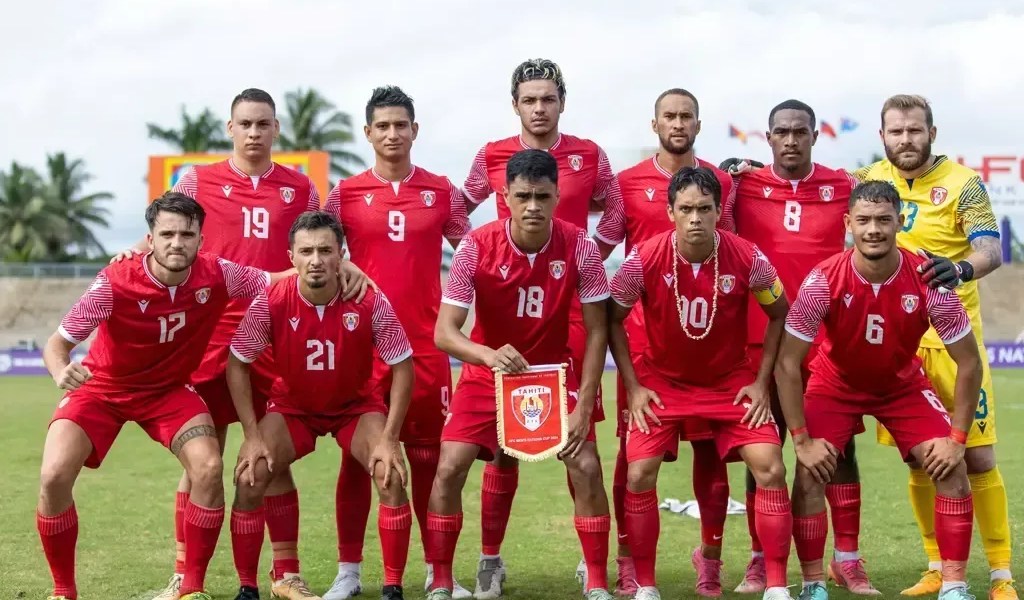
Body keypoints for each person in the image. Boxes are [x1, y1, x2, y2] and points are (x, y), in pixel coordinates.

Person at [115, 88, 370, 600]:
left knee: (266, 459)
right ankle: (184, 576)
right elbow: (165, 232)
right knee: (201, 461)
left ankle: (287, 575)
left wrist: (349, 262)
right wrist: (134, 253)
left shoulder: (300, 188)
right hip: (205, 336)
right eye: (245, 124)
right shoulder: (198, 180)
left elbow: (318, 241)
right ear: (230, 128)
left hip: (272, 335)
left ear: (277, 130)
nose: (254, 133)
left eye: (263, 124)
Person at [38, 193, 274, 600]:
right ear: (149, 238)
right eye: (167, 234)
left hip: (168, 391)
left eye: (187, 234)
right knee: (53, 475)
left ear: (202, 239)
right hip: (103, 388)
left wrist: (332, 266)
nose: (177, 243)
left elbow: (278, 280)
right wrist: (62, 371)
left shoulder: (218, 273)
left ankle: (192, 589)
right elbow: (57, 344)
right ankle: (63, 591)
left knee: (208, 466)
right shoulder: (113, 283)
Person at [461, 59, 624, 591]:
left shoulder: (590, 155)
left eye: (548, 98)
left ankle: (591, 562)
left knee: (581, 443)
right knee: (503, 445)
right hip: (510, 309)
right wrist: (487, 269)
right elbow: (458, 211)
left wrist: (579, 265)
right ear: (515, 104)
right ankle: (490, 558)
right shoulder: (491, 155)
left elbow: (617, 216)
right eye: (529, 99)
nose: (539, 107)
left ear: (562, 102)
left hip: (573, 311)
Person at [778, 181, 981, 600]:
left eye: (884, 220)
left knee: (952, 468)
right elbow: (785, 364)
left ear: (899, 222)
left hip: (900, 386)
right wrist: (800, 441)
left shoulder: (929, 281)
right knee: (811, 471)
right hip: (835, 385)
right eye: (865, 220)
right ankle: (814, 583)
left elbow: (969, 361)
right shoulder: (822, 281)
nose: (874, 229)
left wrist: (958, 439)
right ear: (848, 222)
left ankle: (955, 585)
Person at [425, 149, 614, 600]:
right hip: (487, 373)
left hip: (554, 372)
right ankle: (446, 581)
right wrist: (487, 355)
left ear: (557, 196)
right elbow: (445, 333)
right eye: (523, 195)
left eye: (542, 196)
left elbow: (596, 329)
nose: (533, 206)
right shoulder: (475, 247)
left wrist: (585, 403)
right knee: (450, 467)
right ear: (504, 196)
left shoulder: (580, 246)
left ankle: (598, 580)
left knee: (585, 464)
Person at [853, 94, 1014, 600]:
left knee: (979, 458)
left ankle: (1001, 575)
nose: (906, 139)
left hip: (955, 340)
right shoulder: (867, 181)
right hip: (899, 345)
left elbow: (991, 247)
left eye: (915, 131)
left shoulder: (963, 183)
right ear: (883, 136)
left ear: (932, 133)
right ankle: (937, 567)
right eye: (896, 132)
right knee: (921, 460)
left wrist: (963, 268)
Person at [608, 166, 794, 600]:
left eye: (705, 209)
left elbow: (780, 312)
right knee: (638, 473)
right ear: (670, 211)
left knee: (771, 466)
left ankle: (778, 586)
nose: (696, 218)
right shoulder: (644, 258)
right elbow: (612, 319)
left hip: (729, 384)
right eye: (687, 209)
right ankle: (647, 585)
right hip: (663, 383)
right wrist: (634, 386)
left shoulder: (746, 256)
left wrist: (761, 382)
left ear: (717, 212)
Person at [321, 86, 471, 600]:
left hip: (426, 347)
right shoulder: (343, 196)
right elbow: (313, 253)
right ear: (368, 133)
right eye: (381, 126)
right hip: (360, 349)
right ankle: (348, 572)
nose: (392, 134)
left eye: (400, 125)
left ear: (414, 130)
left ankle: (437, 571)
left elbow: (473, 254)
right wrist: (343, 263)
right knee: (356, 460)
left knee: (430, 460)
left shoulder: (441, 191)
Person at [591, 87, 737, 596]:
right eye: (669, 116)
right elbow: (600, 245)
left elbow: (733, 249)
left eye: (687, 116)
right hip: (644, 347)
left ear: (699, 123)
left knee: (710, 455)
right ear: (654, 124)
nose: (678, 123)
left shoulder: (720, 182)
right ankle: (628, 558)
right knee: (633, 459)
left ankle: (711, 558)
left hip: (706, 342)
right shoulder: (625, 184)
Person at [228, 211, 415, 600]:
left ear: (340, 255)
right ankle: (248, 587)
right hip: (295, 406)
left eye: (325, 250)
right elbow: (237, 364)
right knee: (251, 472)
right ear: (291, 257)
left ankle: (393, 586)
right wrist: (251, 435)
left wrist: (390, 438)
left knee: (391, 473)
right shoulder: (272, 300)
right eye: (307, 251)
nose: (316, 259)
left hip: (355, 406)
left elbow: (403, 366)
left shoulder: (367, 299)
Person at [728, 100, 873, 594]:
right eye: (782, 132)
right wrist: (729, 172)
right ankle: (758, 559)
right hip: (759, 341)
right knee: (761, 450)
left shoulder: (842, 187)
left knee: (839, 449)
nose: (791, 140)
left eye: (800, 132)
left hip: (828, 343)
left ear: (815, 136)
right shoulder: (741, 186)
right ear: (767, 138)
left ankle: (847, 559)